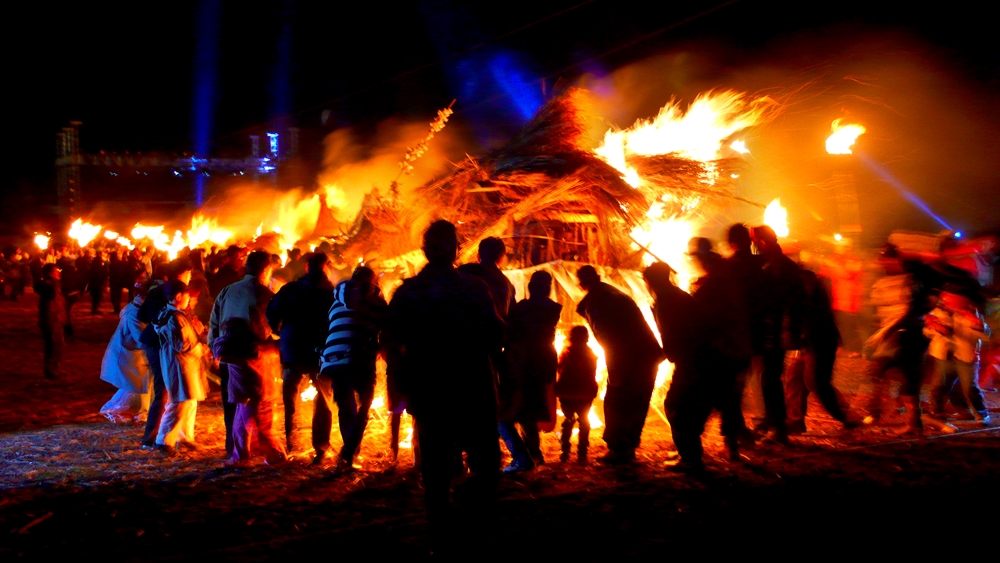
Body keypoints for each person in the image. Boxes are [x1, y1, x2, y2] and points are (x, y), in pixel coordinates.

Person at [386, 220, 503, 552]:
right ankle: (476, 530)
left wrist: (403, 387)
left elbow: (391, 344)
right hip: (473, 388)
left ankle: (441, 536)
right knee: (484, 464)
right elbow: (496, 337)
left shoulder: (407, 293)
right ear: (455, 250)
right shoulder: (474, 289)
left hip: (430, 391)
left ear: (425, 250)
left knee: (436, 471)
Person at [576, 265, 664, 464]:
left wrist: (615, 370)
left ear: (582, 285)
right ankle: (628, 448)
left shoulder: (596, 303)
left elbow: (608, 338)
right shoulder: (613, 292)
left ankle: (617, 450)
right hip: (647, 356)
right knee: (637, 402)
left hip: (629, 358)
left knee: (617, 402)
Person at [210, 250, 286, 466]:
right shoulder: (264, 295)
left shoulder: (227, 291)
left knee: (241, 405)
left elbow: (214, 322)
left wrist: (215, 349)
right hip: (255, 358)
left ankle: (241, 452)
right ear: (266, 269)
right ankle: (260, 454)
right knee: (256, 406)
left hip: (230, 356)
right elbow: (269, 329)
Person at [688, 238, 755, 460]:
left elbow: (709, 310)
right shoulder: (723, 273)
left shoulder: (717, 281)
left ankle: (693, 451)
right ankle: (735, 442)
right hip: (738, 346)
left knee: (710, 399)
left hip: (725, 349)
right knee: (729, 398)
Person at [315, 265, 388, 468]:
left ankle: (348, 455)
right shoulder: (377, 302)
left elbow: (328, 326)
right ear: (373, 281)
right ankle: (348, 454)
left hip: (333, 360)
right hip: (360, 358)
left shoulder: (336, 300)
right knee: (364, 407)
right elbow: (387, 327)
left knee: (346, 408)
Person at [644, 261, 712, 471]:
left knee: (677, 406)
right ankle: (689, 452)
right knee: (684, 405)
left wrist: (667, 355)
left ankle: (691, 458)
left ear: (651, 281)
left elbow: (673, 334)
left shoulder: (667, 301)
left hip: (692, 359)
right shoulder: (676, 296)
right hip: (696, 358)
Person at [864, 244, 938, 435]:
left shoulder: (912, 280)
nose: (883, 262)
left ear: (898, 260)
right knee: (876, 372)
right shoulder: (881, 281)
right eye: (882, 258)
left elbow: (910, 310)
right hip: (890, 334)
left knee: (906, 377)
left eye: (888, 258)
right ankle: (879, 412)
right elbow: (877, 307)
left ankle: (912, 421)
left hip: (909, 333)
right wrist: (877, 326)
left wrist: (886, 330)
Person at [266, 252, 334, 455]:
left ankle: (290, 440)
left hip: (292, 348)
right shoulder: (330, 292)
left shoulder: (291, 289)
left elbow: (271, 311)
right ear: (326, 266)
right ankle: (321, 447)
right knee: (323, 398)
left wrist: (279, 332)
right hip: (320, 349)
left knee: (290, 397)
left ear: (306, 267)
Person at [499, 270, 562, 471]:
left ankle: (525, 456)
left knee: (507, 413)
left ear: (531, 286)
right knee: (529, 412)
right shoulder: (552, 309)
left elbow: (510, 334)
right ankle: (534, 454)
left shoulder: (522, 309)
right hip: (540, 364)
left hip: (519, 364)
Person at [751, 226, 806, 444]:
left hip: (774, 331)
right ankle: (770, 422)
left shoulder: (779, 267)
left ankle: (778, 427)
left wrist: (786, 330)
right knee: (766, 377)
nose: (753, 246)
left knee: (770, 378)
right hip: (770, 329)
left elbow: (791, 303)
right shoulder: (773, 263)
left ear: (762, 242)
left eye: (755, 242)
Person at [138, 259, 193, 449]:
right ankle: (152, 438)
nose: (190, 278)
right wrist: (161, 323)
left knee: (172, 389)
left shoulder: (168, 294)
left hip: (163, 344)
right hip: (157, 344)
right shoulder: (163, 294)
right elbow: (143, 315)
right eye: (188, 274)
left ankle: (175, 434)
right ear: (180, 274)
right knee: (164, 388)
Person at [153, 281, 210, 454]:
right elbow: (183, 344)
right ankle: (164, 440)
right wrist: (202, 349)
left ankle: (185, 437)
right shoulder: (174, 318)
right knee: (179, 401)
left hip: (184, 365)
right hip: (180, 366)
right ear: (177, 296)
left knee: (189, 400)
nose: (190, 298)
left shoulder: (173, 315)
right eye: (187, 294)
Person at [925, 289, 992, 423]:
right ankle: (936, 411)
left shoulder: (971, 314)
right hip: (944, 354)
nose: (945, 301)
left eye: (950, 298)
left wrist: (977, 325)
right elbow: (927, 332)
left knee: (969, 387)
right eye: (945, 298)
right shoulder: (938, 312)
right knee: (939, 385)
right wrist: (934, 328)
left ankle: (981, 415)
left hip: (966, 356)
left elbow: (985, 335)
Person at [99, 285, 152, 423]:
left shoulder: (138, 309)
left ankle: (143, 411)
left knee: (140, 383)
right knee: (134, 385)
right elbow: (142, 338)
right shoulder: (134, 314)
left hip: (133, 355)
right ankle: (112, 409)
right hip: (128, 356)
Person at [555, 325, 598, 464]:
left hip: (567, 395)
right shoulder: (590, 354)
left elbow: (559, 370)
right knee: (584, 422)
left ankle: (565, 452)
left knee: (568, 422)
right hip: (585, 394)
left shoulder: (565, 353)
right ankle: (582, 453)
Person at [36, 263, 67, 380]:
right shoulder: (48, 284)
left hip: (57, 318)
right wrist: (52, 283)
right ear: (49, 273)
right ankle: (50, 370)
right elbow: (46, 291)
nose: (58, 272)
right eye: (55, 271)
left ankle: (56, 367)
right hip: (50, 319)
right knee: (52, 346)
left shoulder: (55, 284)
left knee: (59, 345)